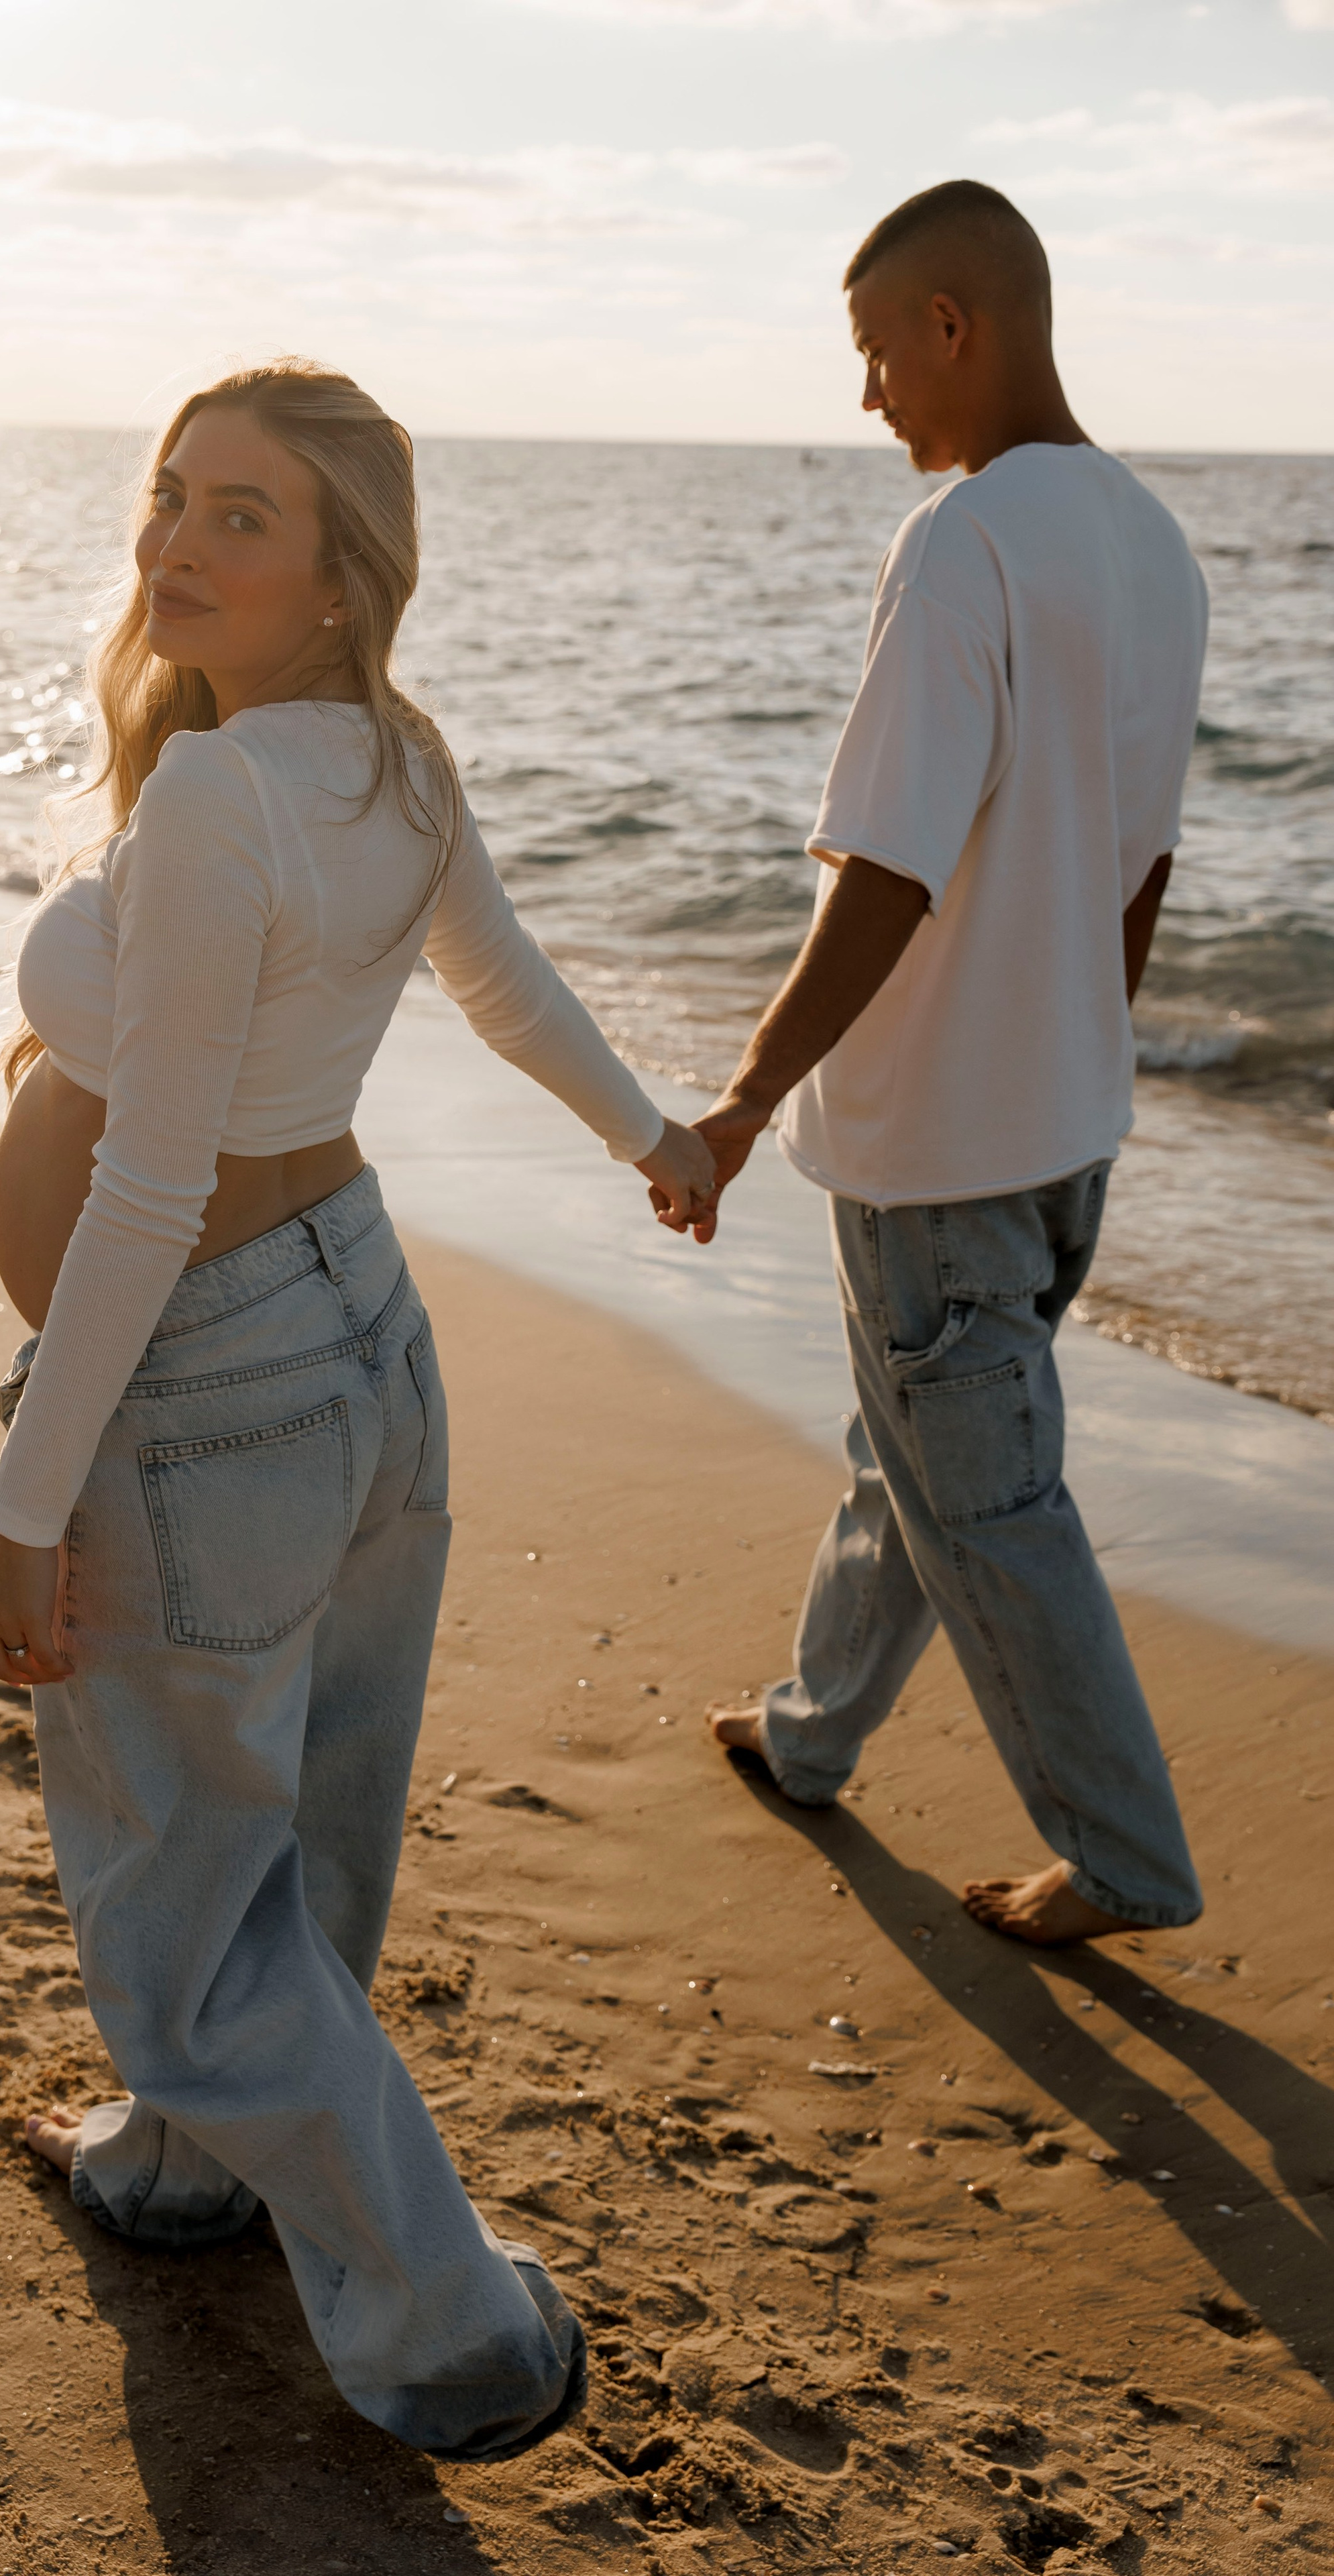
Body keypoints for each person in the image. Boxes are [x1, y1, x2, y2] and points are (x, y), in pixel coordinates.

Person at [0, 362, 714, 2457]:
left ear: (338, 579)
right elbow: (508, 987)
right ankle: (183, 2173)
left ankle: (464, 2341)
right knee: (304, 1833)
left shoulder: (225, 797)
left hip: (208, 1395)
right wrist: (653, 1132)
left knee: (198, 1923)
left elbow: (148, 1184)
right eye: (171, 496)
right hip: (363, 1340)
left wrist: (27, 1505)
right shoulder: (392, 761)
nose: (176, 545)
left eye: (242, 518)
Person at [691, 181, 1207, 1949]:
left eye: (874, 356)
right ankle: (818, 1731)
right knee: (908, 1448)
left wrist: (750, 1094)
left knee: (987, 1500)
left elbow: (888, 869)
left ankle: (1126, 1859)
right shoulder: (1153, 539)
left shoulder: (970, 540)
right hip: (1065, 1125)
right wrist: (1080, 1056)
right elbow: (1139, 871)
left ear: (952, 325)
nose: (870, 402)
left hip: (943, 1148)